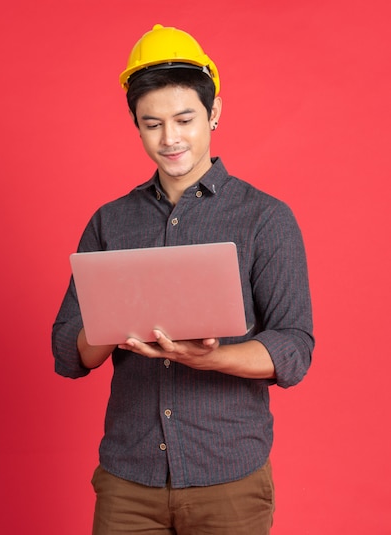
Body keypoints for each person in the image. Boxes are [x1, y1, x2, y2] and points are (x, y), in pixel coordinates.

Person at [52, 23, 314, 535]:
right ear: (136, 124)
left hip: (229, 481)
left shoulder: (264, 218)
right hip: (128, 481)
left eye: (184, 119)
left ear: (213, 114)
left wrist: (209, 357)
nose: (169, 138)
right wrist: (111, 321)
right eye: (151, 124)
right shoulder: (110, 222)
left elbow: (293, 348)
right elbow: (68, 352)